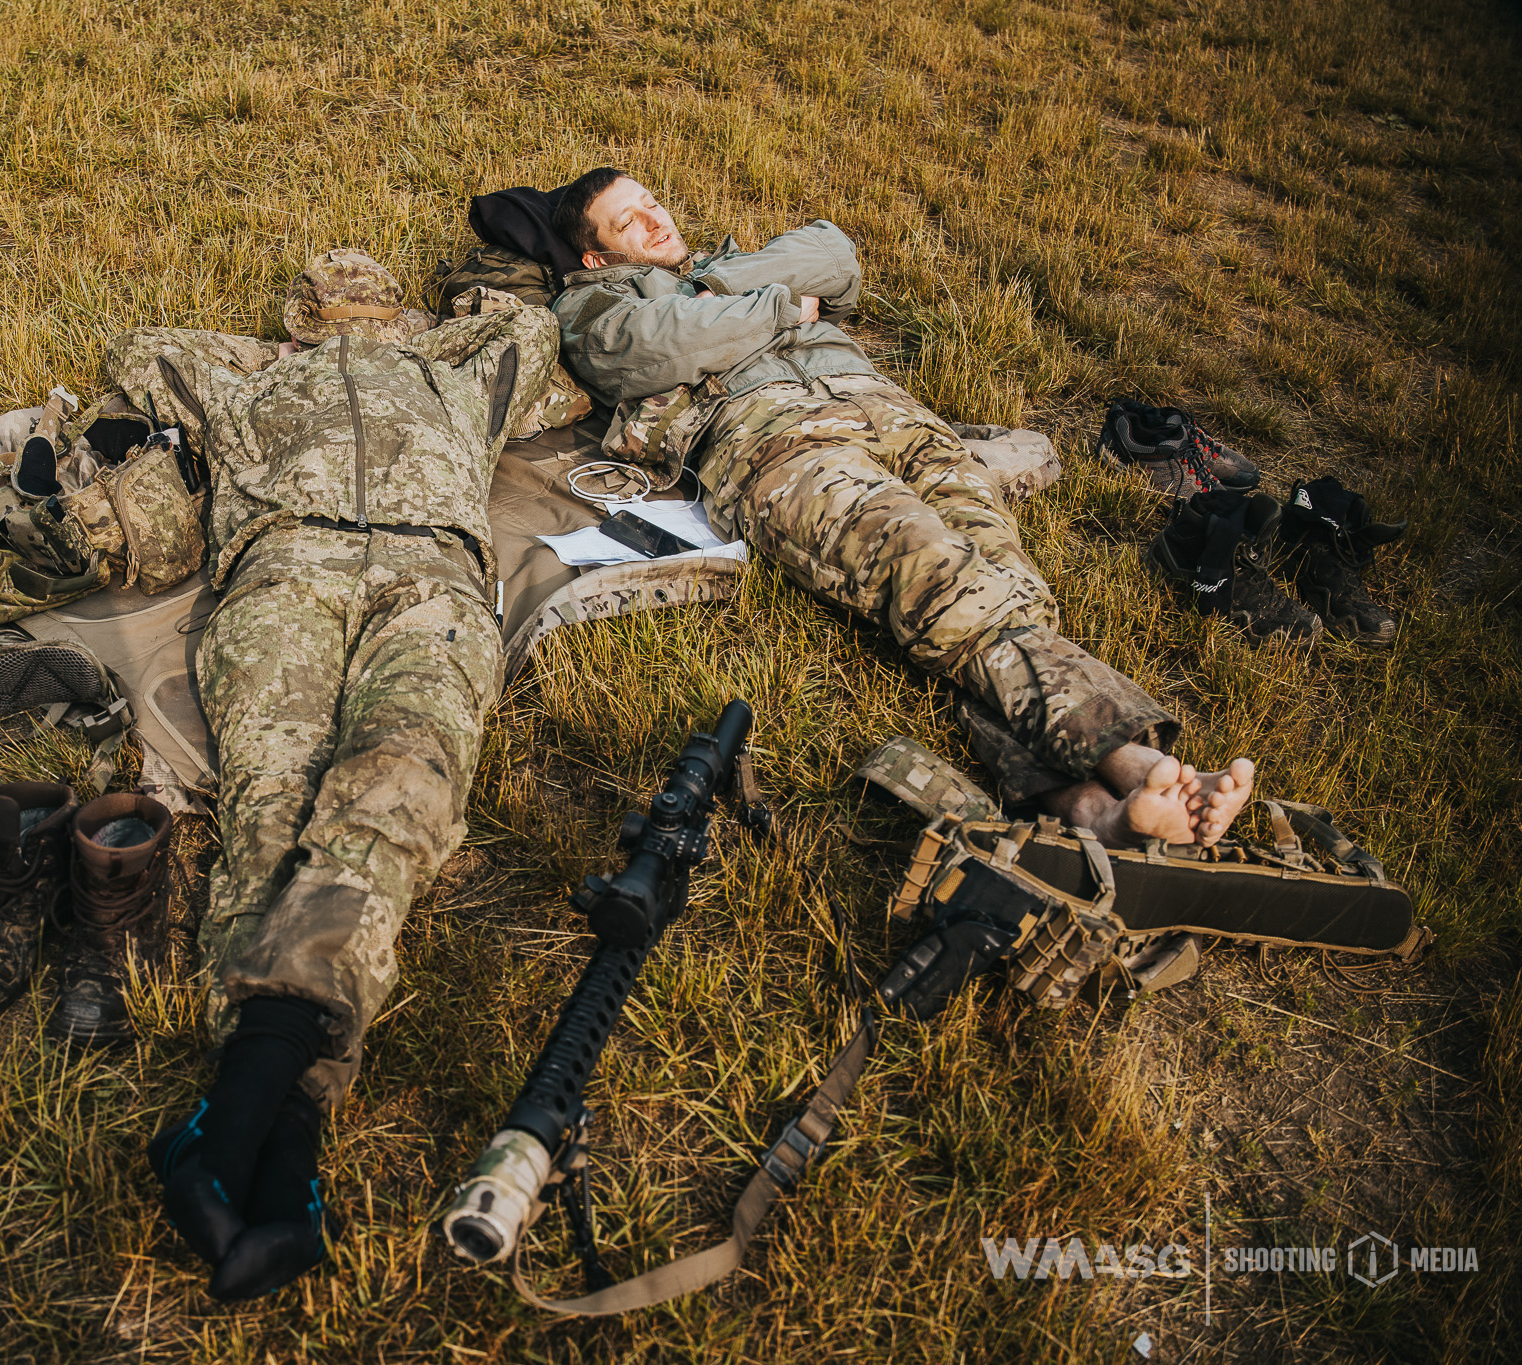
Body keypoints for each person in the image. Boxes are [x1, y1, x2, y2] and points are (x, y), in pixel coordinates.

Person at [99, 251, 559, 1300]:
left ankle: (237, 1122)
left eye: (372, 299)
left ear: (402, 315)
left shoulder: (456, 377)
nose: (353, 310)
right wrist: (273, 359)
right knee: (270, 808)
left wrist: (427, 339)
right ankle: (283, 1143)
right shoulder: (245, 380)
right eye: (327, 301)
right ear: (295, 319)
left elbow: (532, 334)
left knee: (402, 784)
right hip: (283, 571)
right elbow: (140, 351)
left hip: (431, 576)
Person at [549, 169, 1254, 847]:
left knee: (1002, 582)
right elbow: (653, 346)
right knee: (934, 569)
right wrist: (780, 306)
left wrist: (721, 287)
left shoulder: (728, 263)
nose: (654, 220)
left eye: (651, 201)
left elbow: (834, 254)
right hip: (775, 438)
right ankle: (1130, 756)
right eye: (627, 221)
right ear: (596, 255)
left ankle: (1089, 809)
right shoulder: (591, 306)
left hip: (896, 415)